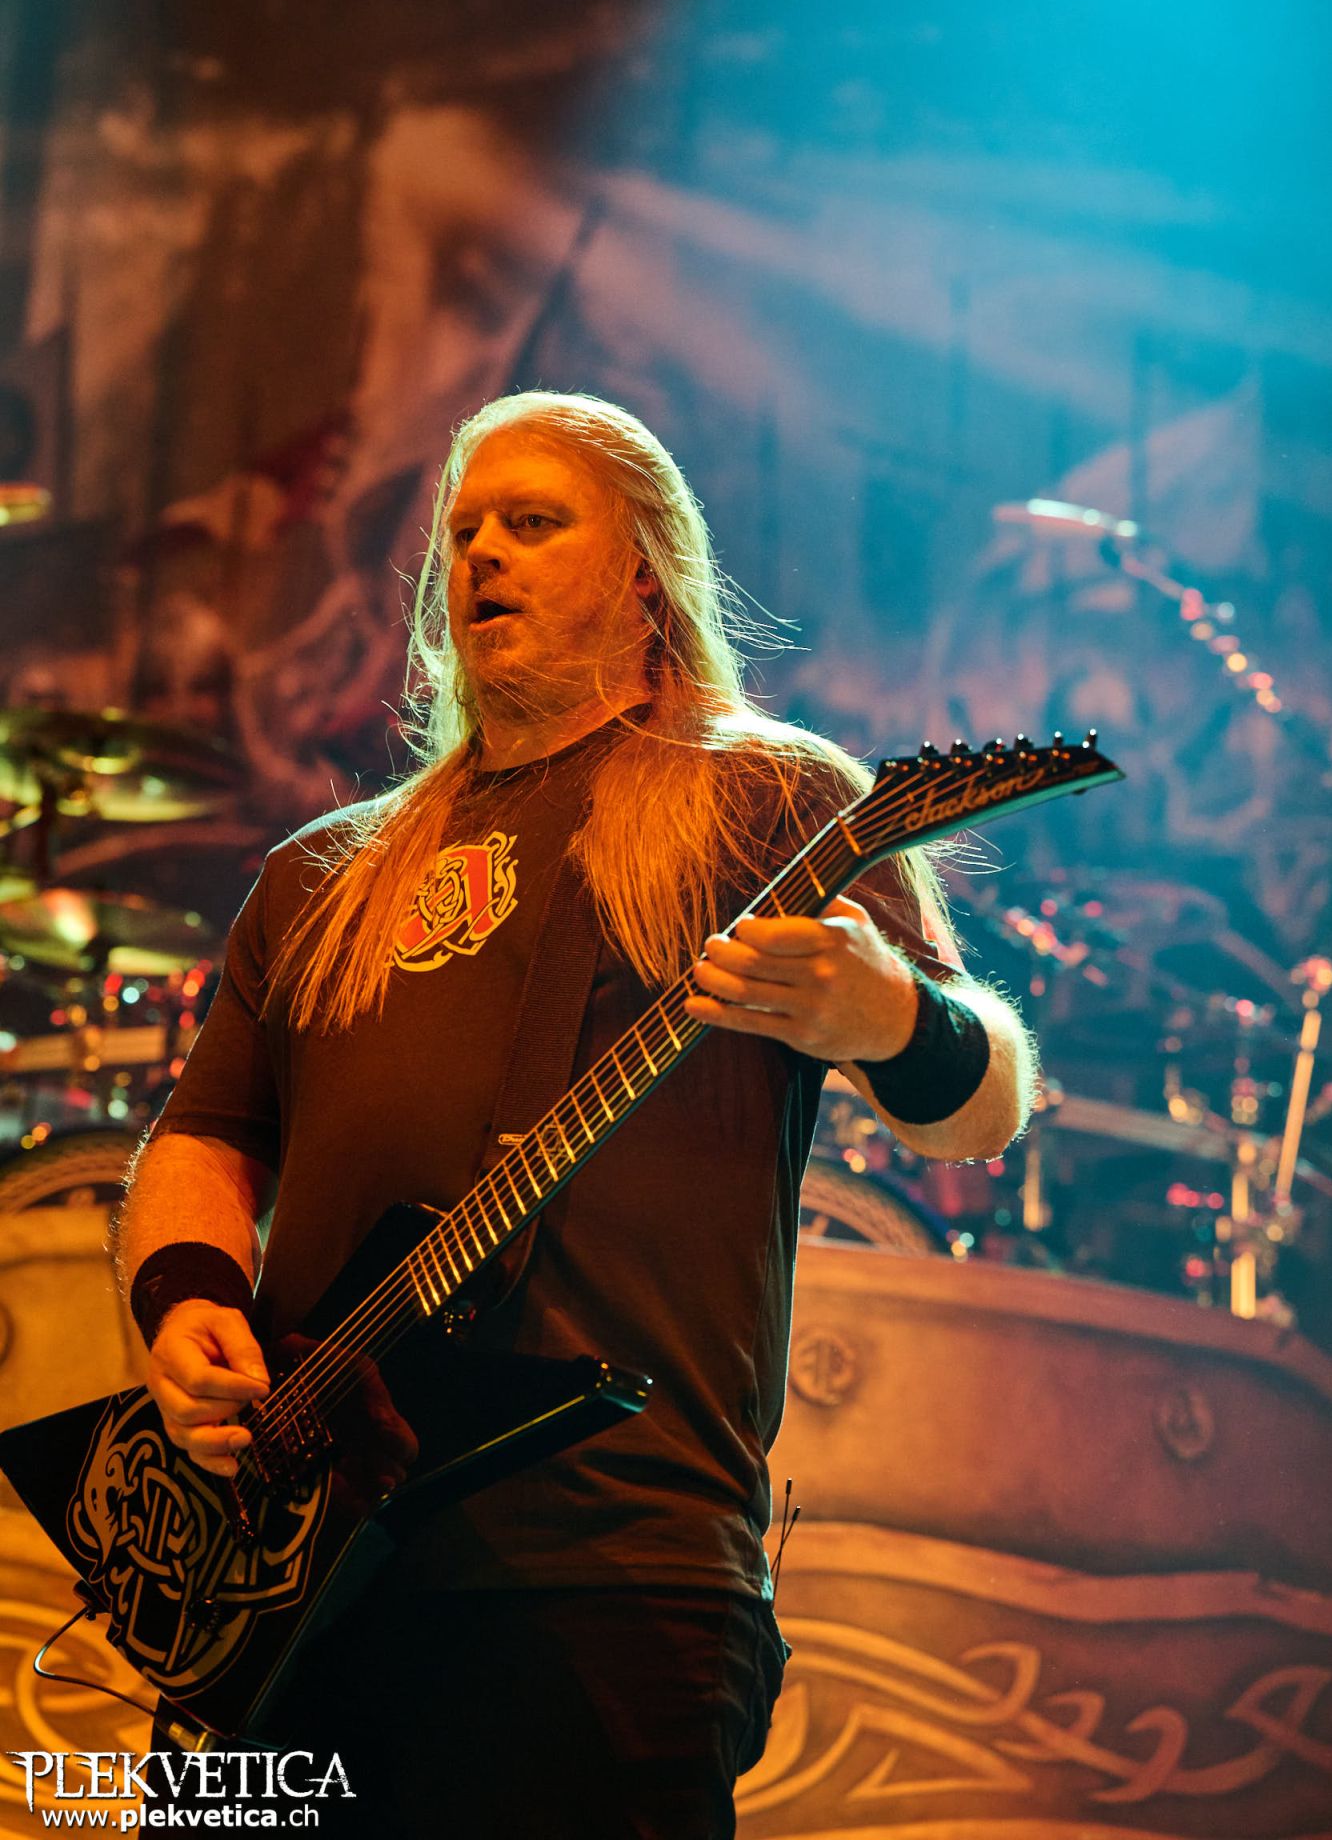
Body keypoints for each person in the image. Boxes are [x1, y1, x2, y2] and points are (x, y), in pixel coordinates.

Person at [116, 390, 1034, 1838]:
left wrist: (890, 1018)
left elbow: (981, 1111)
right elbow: (205, 1136)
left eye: (533, 522)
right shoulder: (318, 876)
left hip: (607, 1564)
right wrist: (184, 1308)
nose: (481, 552)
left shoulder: (768, 799)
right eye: (463, 531)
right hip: (286, 1577)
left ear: (646, 573)